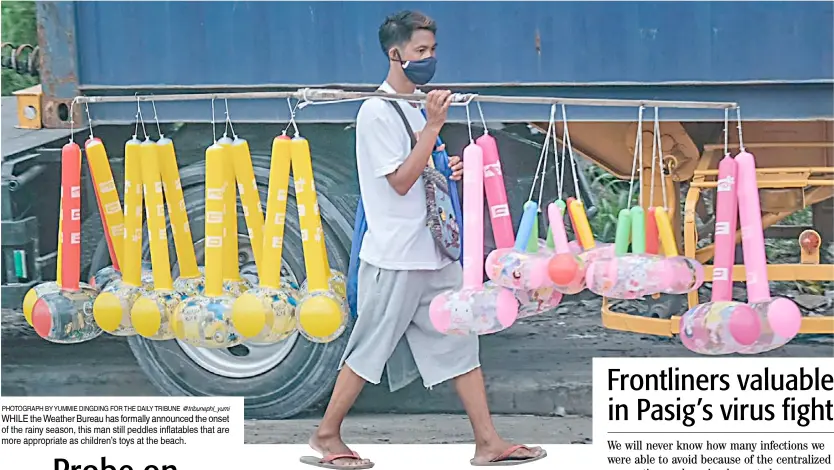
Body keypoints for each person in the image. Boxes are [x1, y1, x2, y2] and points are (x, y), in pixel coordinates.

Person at [300, 10, 547, 469]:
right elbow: (396, 180)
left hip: (433, 251)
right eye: (420, 51)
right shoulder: (376, 111)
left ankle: (487, 442)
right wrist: (432, 129)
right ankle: (325, 434)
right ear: (395, 54)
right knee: (369, 346)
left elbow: (420, 172)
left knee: (460, 343)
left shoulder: (414, 106)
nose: (430, 59)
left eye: (432, 51)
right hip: (396, 256)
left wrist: (443, 168)